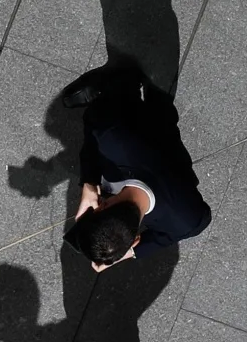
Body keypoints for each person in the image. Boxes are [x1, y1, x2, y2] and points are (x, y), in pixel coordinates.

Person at [60, 63, 210, 270]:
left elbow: (200, 222)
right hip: (134, 122)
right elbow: (93, 127)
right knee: (108, 104)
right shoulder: (111, 137)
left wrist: (131, 252)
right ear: (102, 205)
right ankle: (118, 82)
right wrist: (89, 182)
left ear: (135, 239)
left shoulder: (185, 219)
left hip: (165, 147)